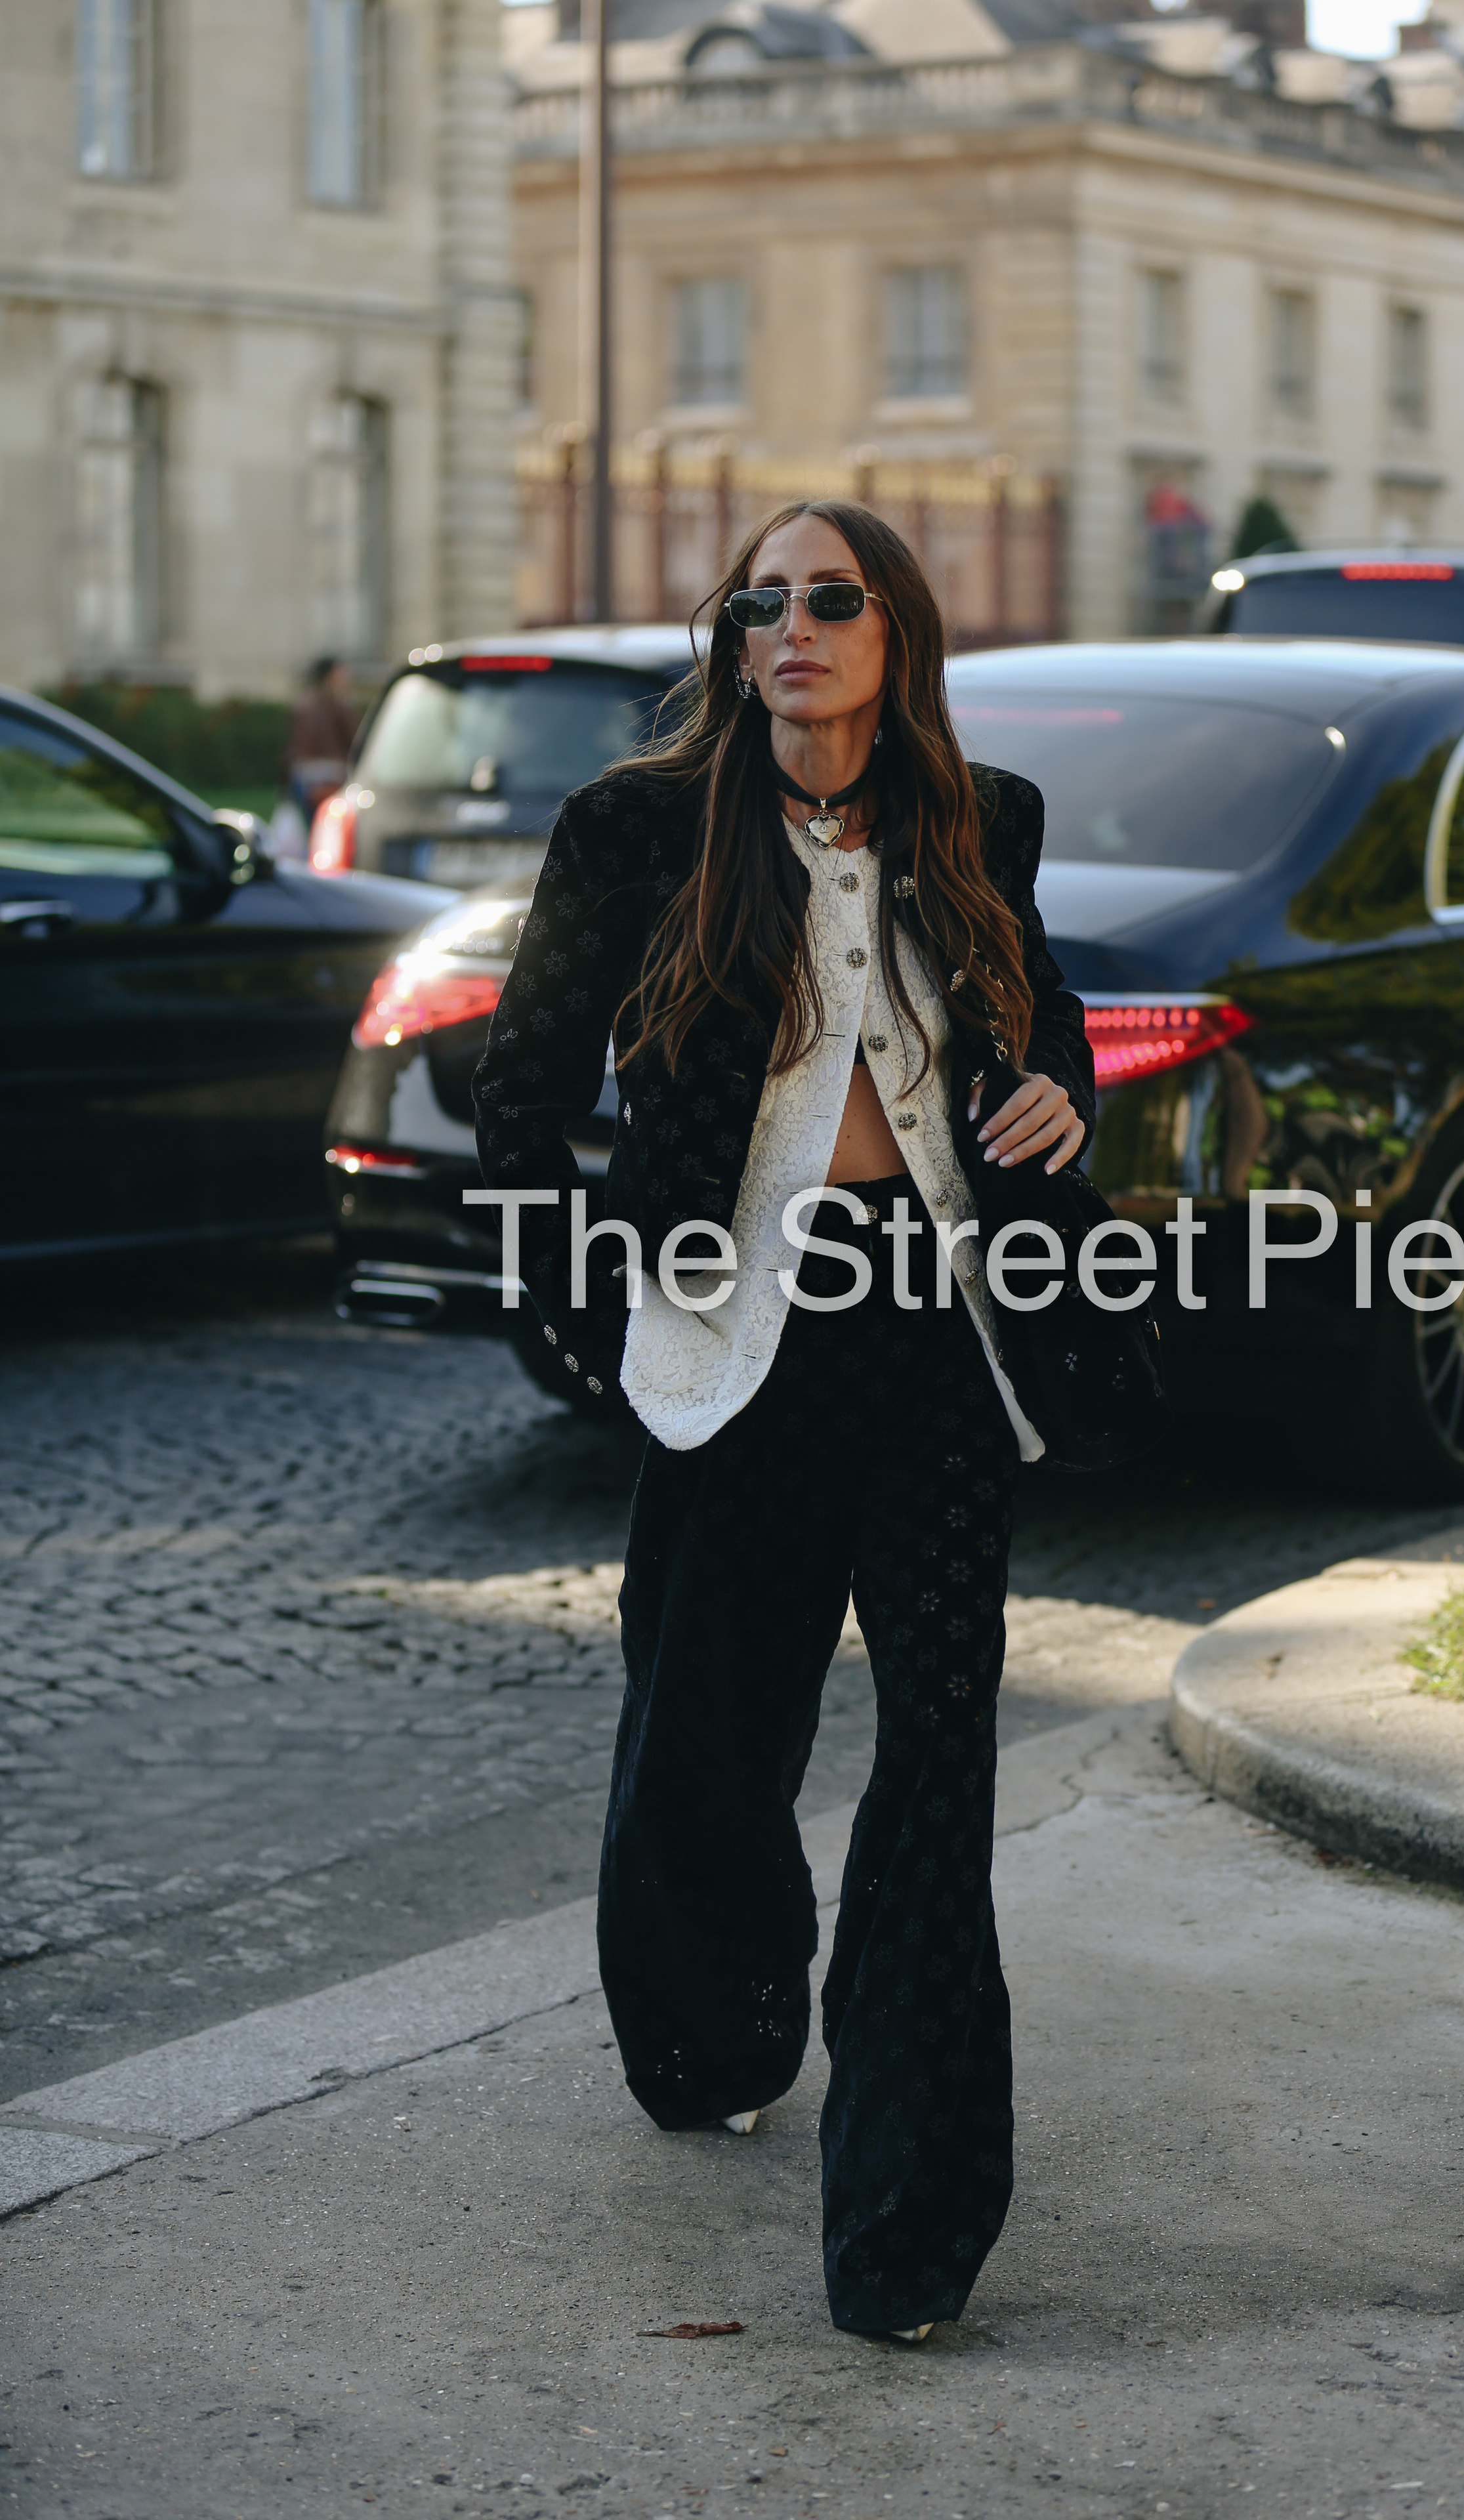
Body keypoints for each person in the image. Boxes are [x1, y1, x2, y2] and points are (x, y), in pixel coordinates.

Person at [472, 501, 1094, 2342]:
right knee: (706, 1737)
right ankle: (712, 2029)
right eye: (767, 603)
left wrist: (1060, 1088)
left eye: (835, 600)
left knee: (939, 1764)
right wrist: (590, 1323)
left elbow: (1042, 1027)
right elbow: (521, 1091)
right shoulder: (644, 829)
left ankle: (910, 2223)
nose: (798, 627)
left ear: (896, 635)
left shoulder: (990, 823)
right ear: (735, 644)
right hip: (734, 1342)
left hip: (933, 1347)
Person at [283, 656, 360, 827]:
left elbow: (292, 748)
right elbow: (355, 744)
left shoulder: (302, 704)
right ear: (331, 676)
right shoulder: (340, 706)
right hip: (333, 777)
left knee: (311, 826)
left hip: (302, 776)